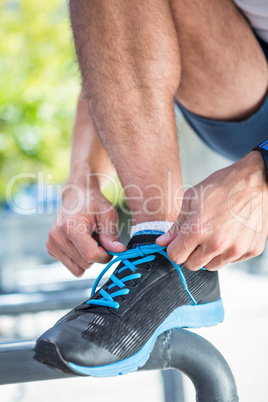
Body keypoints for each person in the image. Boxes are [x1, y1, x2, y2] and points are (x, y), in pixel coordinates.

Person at [34, 0, 268, 376]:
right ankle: (168, 259)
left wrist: (263, 173)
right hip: (242, 77)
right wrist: (85, 179)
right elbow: (119, 45)